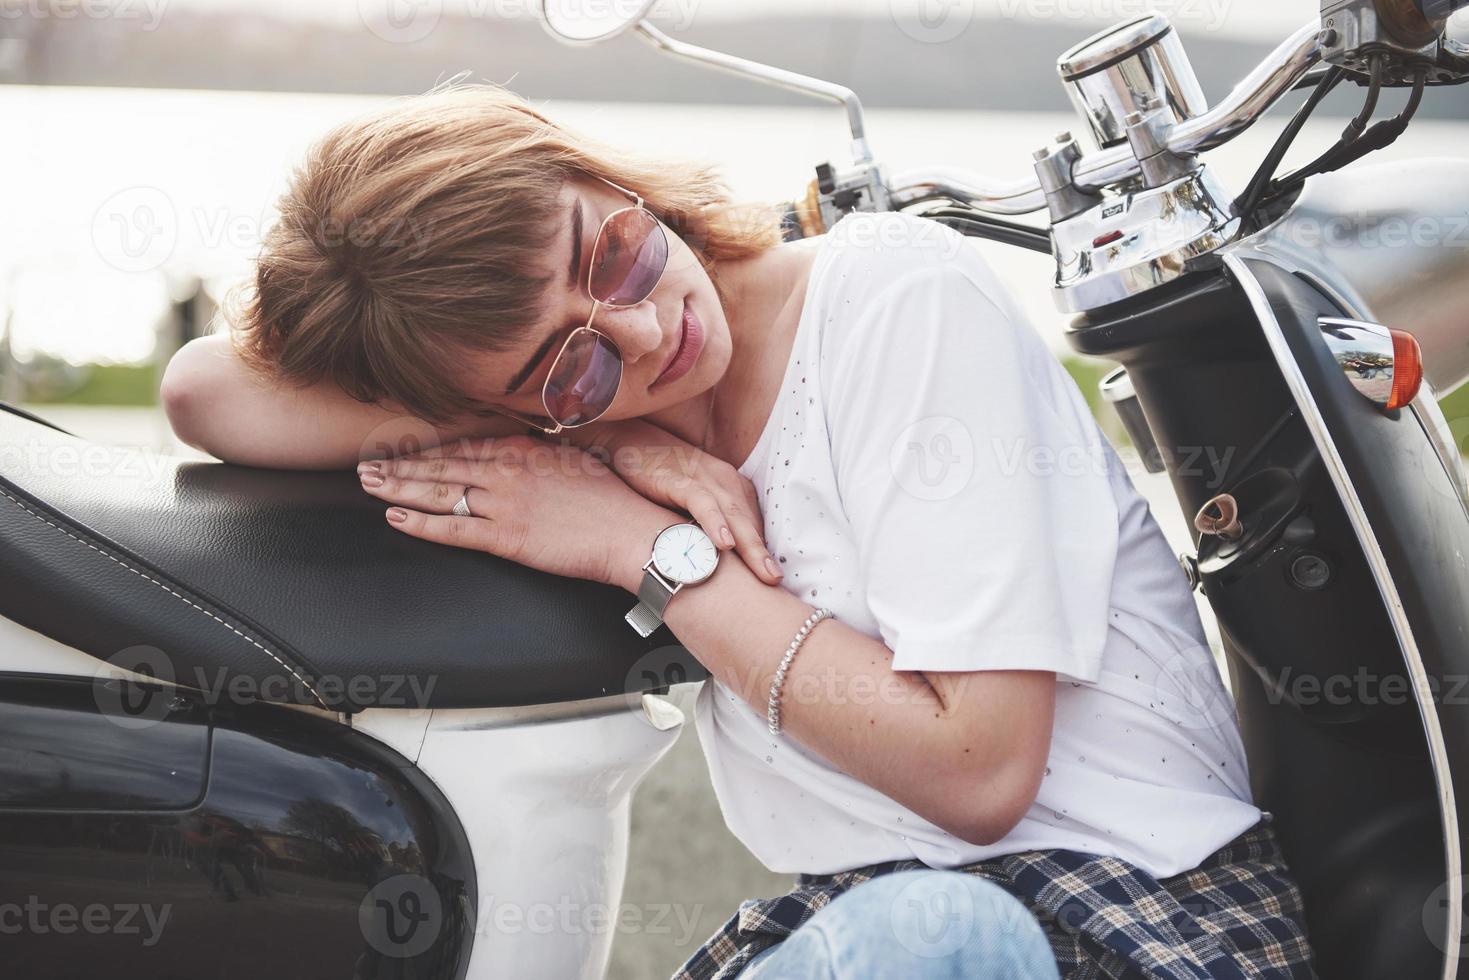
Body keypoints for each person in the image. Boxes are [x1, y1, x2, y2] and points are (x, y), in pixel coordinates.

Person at [161, 82, 1318, 979]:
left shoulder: (894, 300)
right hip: (875, 925)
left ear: (601, 173)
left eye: (608, 251)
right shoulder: (600, 425)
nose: (642, 326)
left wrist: (645, 550)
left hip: (1132, 919)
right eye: (570, 362)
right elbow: (206, 391)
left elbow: (978, 768)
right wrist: (599, 444)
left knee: (939, 930)